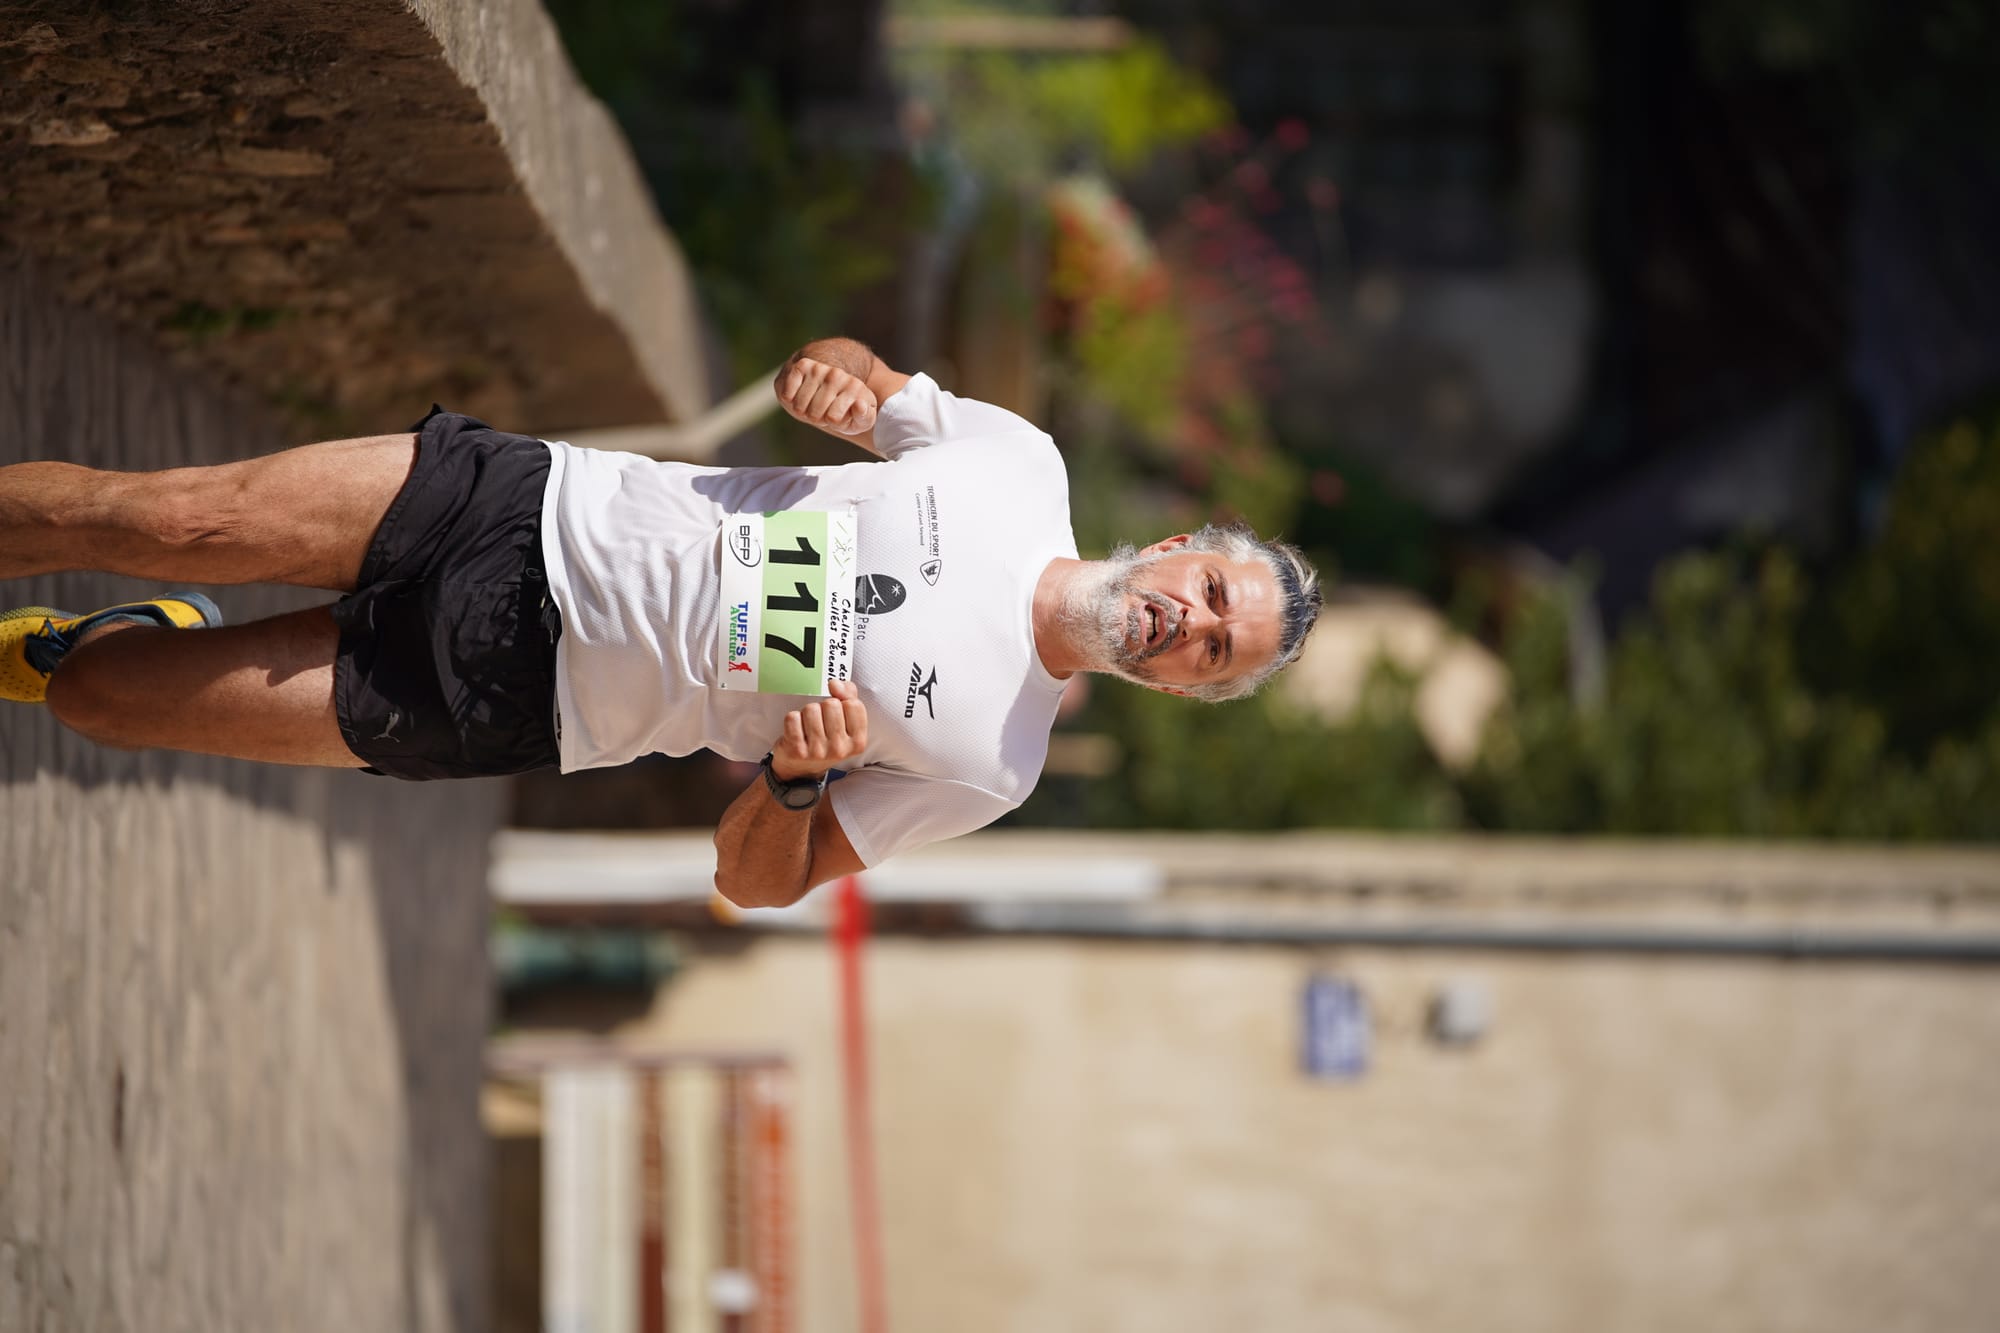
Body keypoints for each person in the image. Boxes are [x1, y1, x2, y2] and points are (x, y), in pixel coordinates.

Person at [1, 339, 1321, 906]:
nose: (1188, 623)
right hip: (528, 508)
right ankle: (138, 583)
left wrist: (795, 783)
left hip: (518, 699)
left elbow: (757, 882)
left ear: (1183, 689)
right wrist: (827, 380)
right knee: (161, 516)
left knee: (104, 702)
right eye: (1214, 592)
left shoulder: (996, 763)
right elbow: (858, 375)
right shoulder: (1021, 464)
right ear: (1181, 547)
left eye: (1216, 652)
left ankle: (103, 642)